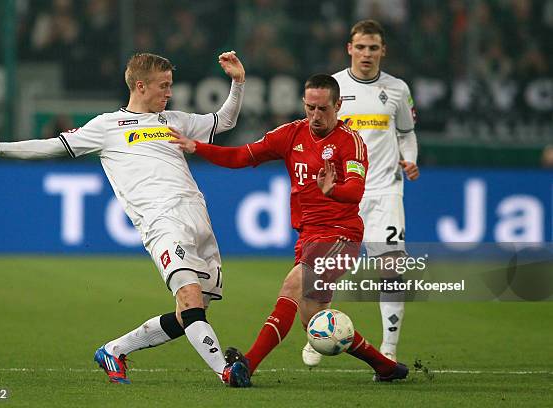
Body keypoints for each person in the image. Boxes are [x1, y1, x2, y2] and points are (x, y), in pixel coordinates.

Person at [0, 51, 252, 387]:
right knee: (190, 300)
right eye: (164, 86)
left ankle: (114, 350)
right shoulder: (107, 127)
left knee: (191, 313)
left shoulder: (174, 120)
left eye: (171, 85)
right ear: (141, 86)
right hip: (161, 222)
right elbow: (51, 147)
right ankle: (225, 372)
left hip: (198, 219)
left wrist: (237, 82)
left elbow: (225, 121)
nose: (169, 93)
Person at [170, 74, 409, 383]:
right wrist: (197, 147)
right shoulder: (291, 134)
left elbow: (355, 191)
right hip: (308, 236)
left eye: (323, 108)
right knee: (315, 320)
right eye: (310, 107)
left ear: (338, 105)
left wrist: (332, 190)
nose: (316, 116)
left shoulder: (351, 142)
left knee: (291, 287)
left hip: (341, 234)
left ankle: (246, 366)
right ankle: (386, 367)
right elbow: (243, 155)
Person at [302, 19, 420, 367]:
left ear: (382, 50)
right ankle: (316, 333)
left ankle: (390, 347)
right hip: (340, 193)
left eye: (373, 48)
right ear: (349, 49)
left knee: (392, 267)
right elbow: (313, 133)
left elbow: (407, 133)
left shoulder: (397, 89)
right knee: (325, 268)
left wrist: (409, 160)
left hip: (384, 190)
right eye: (361, 47)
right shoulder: (333, 87)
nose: (367, 54)